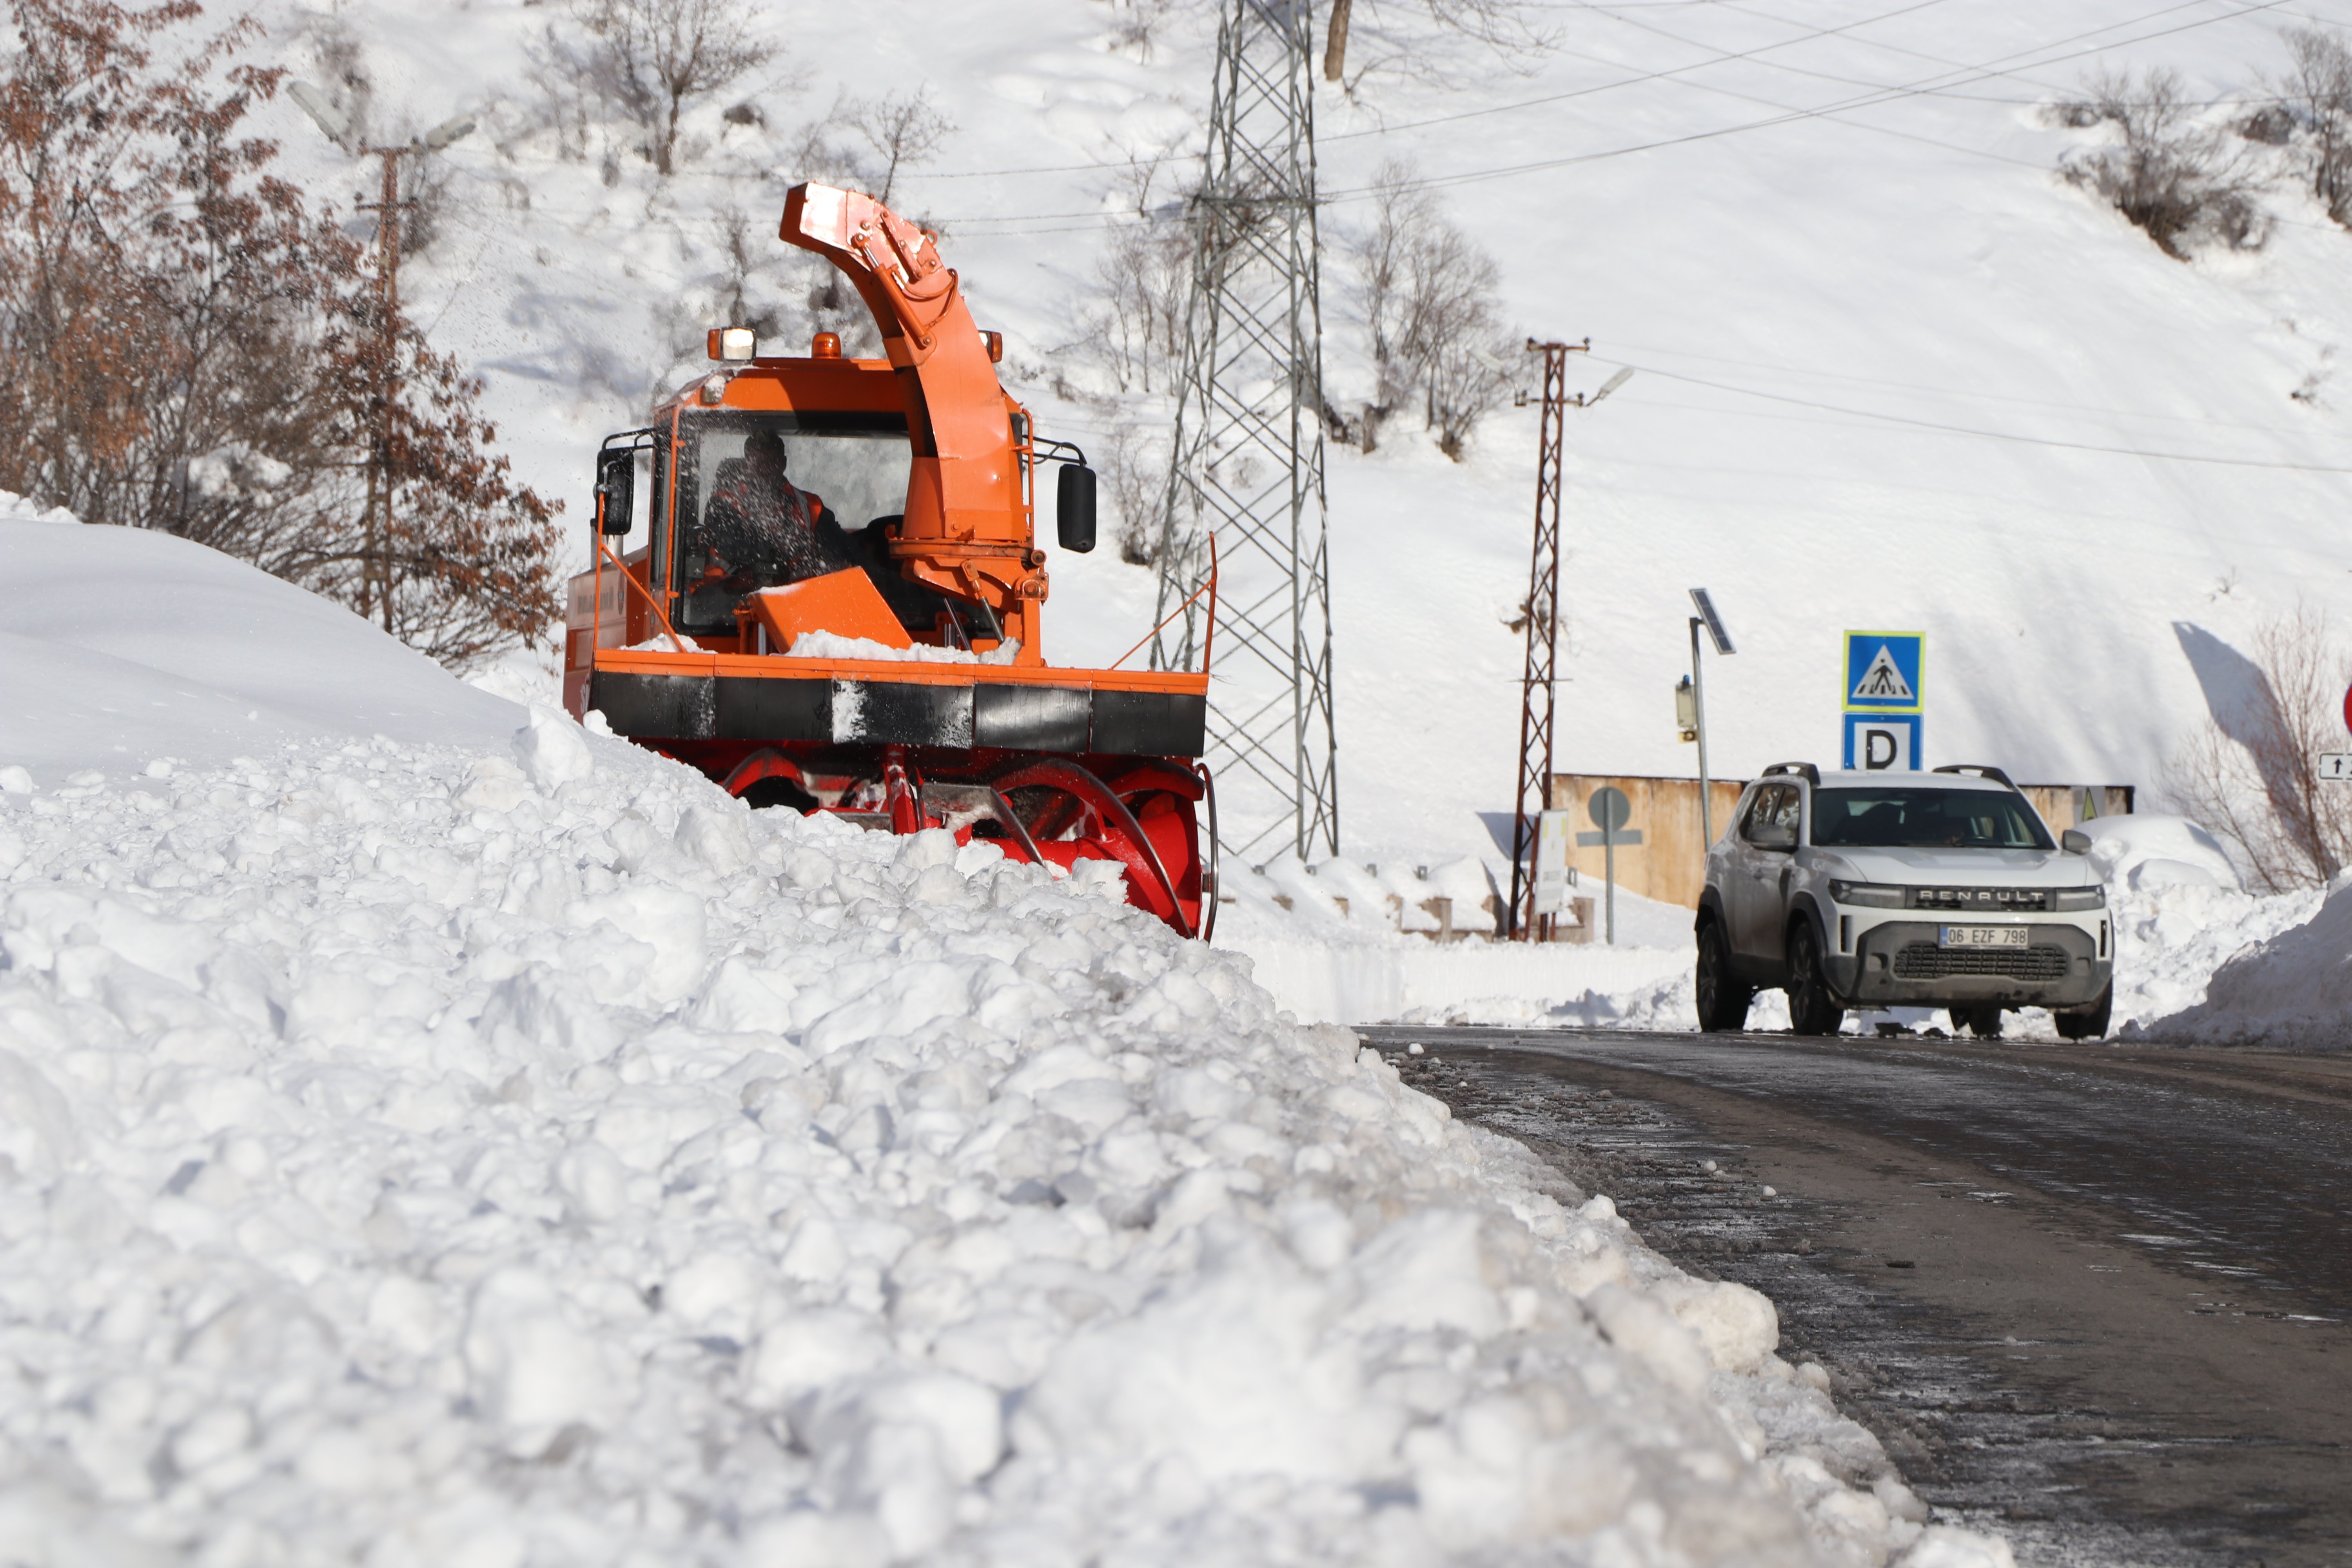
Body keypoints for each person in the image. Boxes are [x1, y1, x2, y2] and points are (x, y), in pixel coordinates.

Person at [697, 431, 846, 594]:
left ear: (783, 464)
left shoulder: (809, 505)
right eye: (759, 463)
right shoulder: (723, 503)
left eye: (772, 463)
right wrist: (786, 546)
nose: (765, 470)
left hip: (796, 598)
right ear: (746, 465)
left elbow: (841, 546)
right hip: (726, 596)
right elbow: (735, 548)